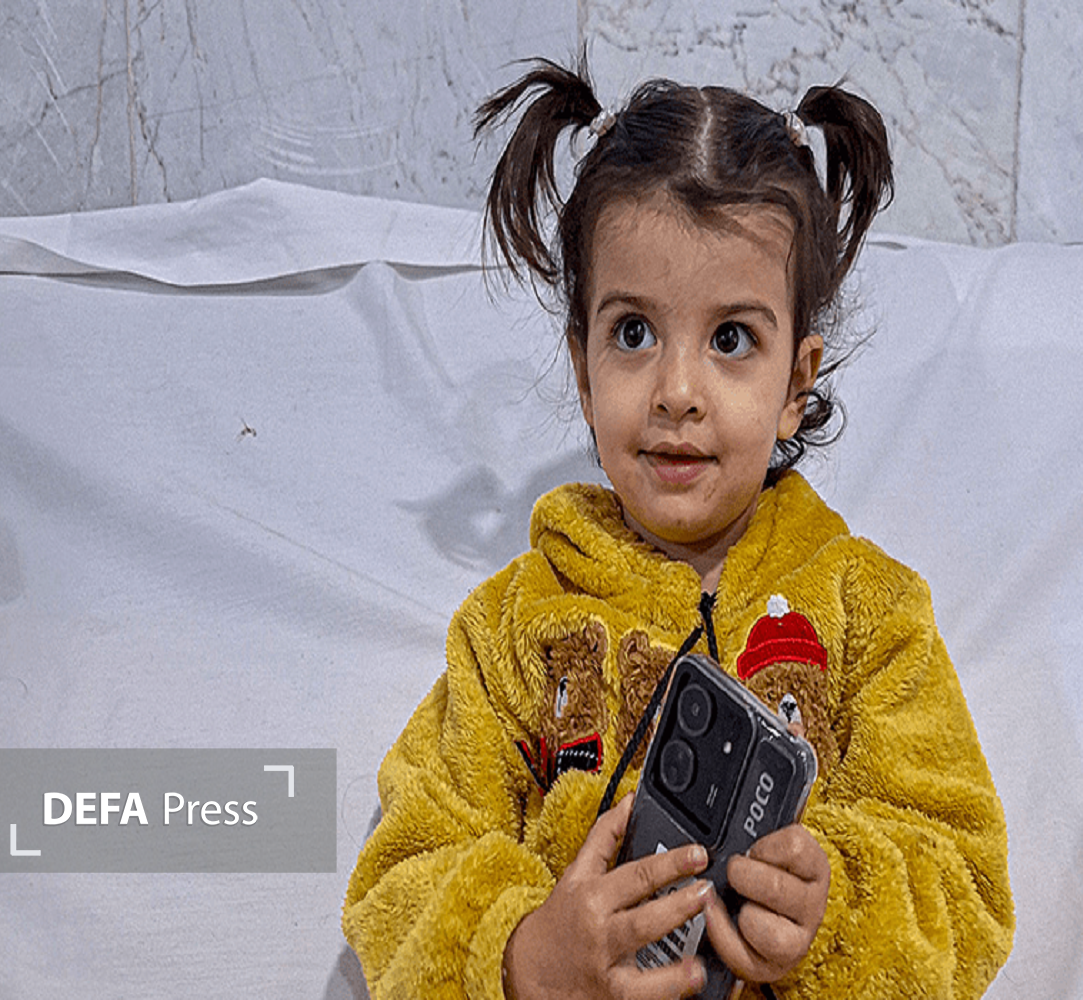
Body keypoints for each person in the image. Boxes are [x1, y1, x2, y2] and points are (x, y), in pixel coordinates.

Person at [342, 56, 1014, 1000]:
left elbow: (967, 884)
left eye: (732, 339)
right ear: (583, 369)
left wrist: (834, 912)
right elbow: (402, 874)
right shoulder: (512, 631)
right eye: (633, 333)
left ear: (796, 382)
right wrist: (525, 957)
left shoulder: (870, 612)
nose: (678, 392)